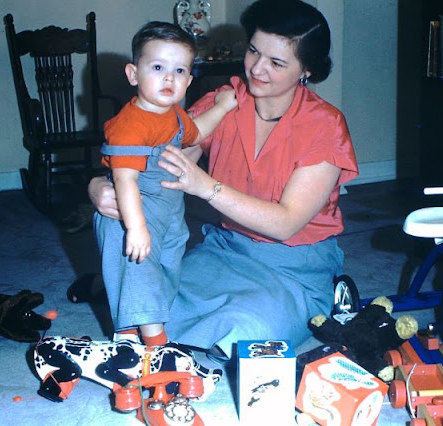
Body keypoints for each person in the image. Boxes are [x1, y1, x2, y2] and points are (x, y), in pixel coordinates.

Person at [86, 0, 358, 360]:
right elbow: (160, 164)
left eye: (276, 63)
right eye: (254, 51)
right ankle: (135, 307)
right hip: (224, 251)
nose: (257, 69)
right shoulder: (226, 101)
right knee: (145, 296)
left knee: (248, 335)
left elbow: (286, 224)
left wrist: (206, 187)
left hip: (294, 267)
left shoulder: (325, 125)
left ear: (306, 70)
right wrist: (99, 186)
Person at [95, 21, 237, 346]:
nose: (169, 78)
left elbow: (195, 134)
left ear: (189, 80)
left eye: (179, 70)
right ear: (133, 74)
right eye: (158, 67)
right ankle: (153, 341)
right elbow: (125, 179)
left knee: (168, 268)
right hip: (136, 206)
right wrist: (136, 227)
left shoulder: (173, 114)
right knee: (139, 265)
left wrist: (222, 107)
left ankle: (130, 329)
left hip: (170, 209)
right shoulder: (130, 124)